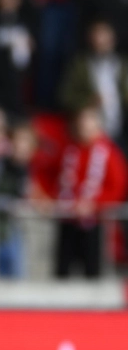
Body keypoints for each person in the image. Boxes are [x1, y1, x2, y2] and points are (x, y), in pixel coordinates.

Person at [54, 106, 128, 277]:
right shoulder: (70, 150)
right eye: (82, 123)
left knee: (92, 272)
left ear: (98, 126)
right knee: (62, 271)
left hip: (95, 223)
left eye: (88, 123)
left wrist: (93, 205)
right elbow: (57, 177)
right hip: (68, 219)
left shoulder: (110, 153)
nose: (84, 127)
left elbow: (117, 188)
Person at [0, 122, 41, 277]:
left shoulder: (28, 170)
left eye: (26, 142)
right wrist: (8, 204)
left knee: (16, 278)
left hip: (14, 232)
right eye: (19, 140)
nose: (21, 146)